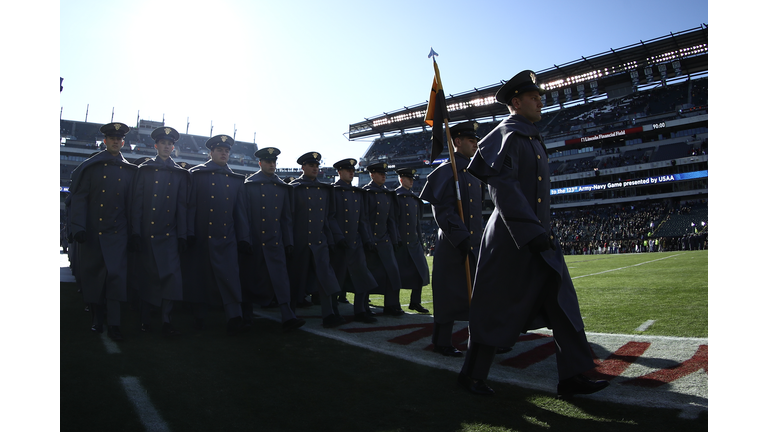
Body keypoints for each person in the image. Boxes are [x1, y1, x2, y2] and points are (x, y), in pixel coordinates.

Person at [459, 70, 609, 397]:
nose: (541, 100)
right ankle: (472, 375)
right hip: (511, 240)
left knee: (563, 304)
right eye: (533, 97)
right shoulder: (506, 134)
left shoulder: (531, 136)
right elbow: (504, 188)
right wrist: (531, 231)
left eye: (540, 96)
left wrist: (543, 232)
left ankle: (573, 374)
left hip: (540, 236)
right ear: (516, 102)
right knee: (494, 308)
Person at [419, 121, 484, 357]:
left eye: (476, 140)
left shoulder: (474, 170)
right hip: (453, 243)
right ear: (457, 142)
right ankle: (442, 341)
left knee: (479, 294)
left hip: (474, 242)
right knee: (448, 295)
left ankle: (481, 339)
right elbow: (442, 210)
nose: (475, 144)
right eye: (471, 140)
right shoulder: (447, 171)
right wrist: (461, 235)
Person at [69, 122, 137, 341]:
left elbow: (132, 205)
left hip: (118, 233)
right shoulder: (91, 167)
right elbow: (80, 199)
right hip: (93, 232)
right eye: (112, 138)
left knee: (116, 278)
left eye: (119, 139)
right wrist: (78, 227)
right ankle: (97, 319)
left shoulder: (129, 171)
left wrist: (133, 233)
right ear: (105, 141)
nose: (116, 141)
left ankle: (115, 323)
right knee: (95, 276)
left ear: (123, 143)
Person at [185, 134, 251, 335]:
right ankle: (199, 317)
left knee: (230, 277)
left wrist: (244, 238)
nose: (224, 153)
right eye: (220, 150)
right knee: (201, 278)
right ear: (211, 152)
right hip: (201, 236)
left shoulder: (237, 180)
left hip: (226, 237)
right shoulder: (196, 175)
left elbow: (240, 213)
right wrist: (189, 232)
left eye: (227, 151)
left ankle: (234, 317)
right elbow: (190, 207)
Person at [239, 147, 305, 332]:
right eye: (268, 161)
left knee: (280, 279)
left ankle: (287, 315)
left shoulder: (283, 187)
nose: (271, 164)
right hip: (253, 241)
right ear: (260, 163)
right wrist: (244, 238)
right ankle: (247, 316)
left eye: (274, 161)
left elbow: (286, 218)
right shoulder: (248, 185)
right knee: (250, 279)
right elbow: (243, 214)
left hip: (275, 241)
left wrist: (289, 242)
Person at [130, 126, 188, 336]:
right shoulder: (144, 170)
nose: (166, 146)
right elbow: (137, 205)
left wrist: (182, 235)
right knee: (148, 278)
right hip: (147, 234)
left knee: (171, 278)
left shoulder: (180, 174)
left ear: (173, 147)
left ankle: (166, 320)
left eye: (170, 143)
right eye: (163, 143)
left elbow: (182, 207)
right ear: (155, 145)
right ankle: (145, 320)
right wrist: (136, 232)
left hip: (170, 236)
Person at [288, 152, 344, 328]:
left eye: (316, 165)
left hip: (320, 241)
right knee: (295, 280)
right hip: (299, 242)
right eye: (310, 165)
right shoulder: (293, 188)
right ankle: (289, 315)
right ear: (302, 167)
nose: (314, 168)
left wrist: (334, 239)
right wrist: (289, 241)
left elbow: (329, 217)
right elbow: (288, 218)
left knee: (326, 277)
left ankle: (330, 314)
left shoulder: (325, 190)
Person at [330, 158, 379, 323]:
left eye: (353, 170)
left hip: (356, 243)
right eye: (347, 170)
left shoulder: (358, 193)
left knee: (363, 277)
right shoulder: (333, 191)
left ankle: (360, 310)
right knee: (336, 280)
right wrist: (338, 238)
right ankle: (333, 312)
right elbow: (330, 218)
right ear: (339, 172)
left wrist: (368, 240)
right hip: (340, 244)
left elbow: (363, 220)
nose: (351, 173)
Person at [362, 162, 405, 316]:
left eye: (385, 174)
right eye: (380, 174)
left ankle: (392, 305)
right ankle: (363, 306)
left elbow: (391, 220)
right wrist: (367, 239)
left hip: (385, 239)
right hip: (370, 241)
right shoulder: (366, 193)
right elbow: (364, 219)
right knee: (367, 274)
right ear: (372, 175)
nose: (384, 176)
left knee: (393, 272)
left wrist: (396, 239)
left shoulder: (388, 194)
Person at [394, 168, 430, 314]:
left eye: (412, 179)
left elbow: (417, 224)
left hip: (414, 243)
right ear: (401, 180)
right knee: (396, 276)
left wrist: (420, 242)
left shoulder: (415, 199)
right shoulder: (395, 197)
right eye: (408, 178)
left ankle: (415, 302)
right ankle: (394, 303)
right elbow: (393, 221)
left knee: (420, 273)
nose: (411, 181)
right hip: (400, 243)